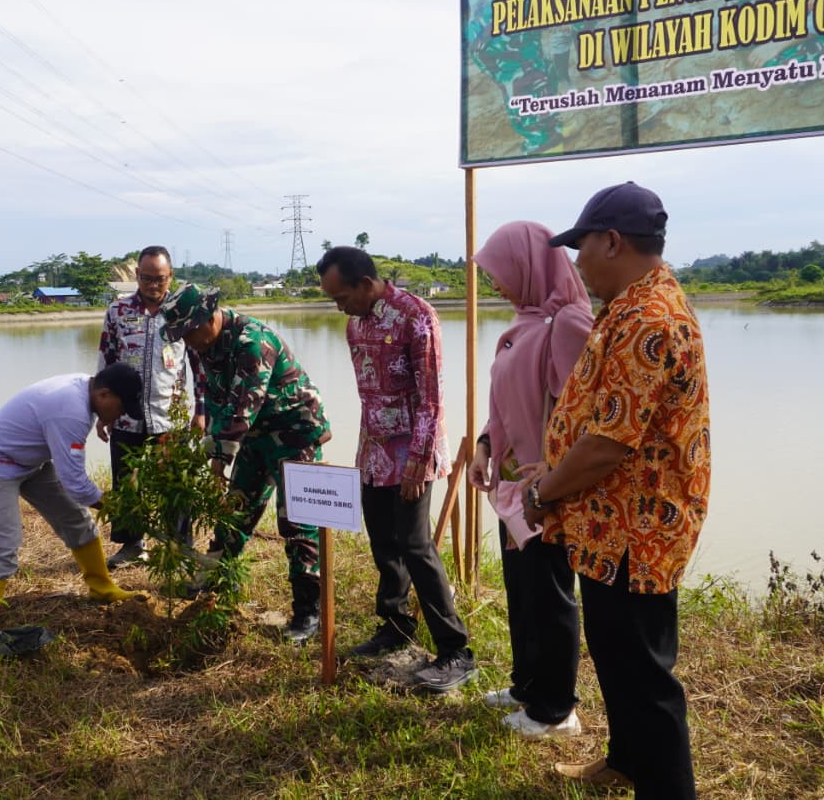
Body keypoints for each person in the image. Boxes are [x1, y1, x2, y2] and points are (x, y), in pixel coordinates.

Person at [521, 183, 710, 797]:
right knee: (618, 658)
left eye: (581, 246)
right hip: (612, 524)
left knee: (645, 676)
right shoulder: (631, 307)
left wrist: (544, 491)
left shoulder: (648, 320)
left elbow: (607, 443)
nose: (575, 261)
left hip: (637, 526)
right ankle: (627, 760)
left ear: (612, 240)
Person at [315, 247, 477, 693]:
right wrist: (365, 452)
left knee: (416, 546)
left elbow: (431, 399)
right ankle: (395, 623)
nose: (339, 306)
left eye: (341, 296)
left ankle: (455, 650)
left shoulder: (416, 317)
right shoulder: (355, 323)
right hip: (374, 452)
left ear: (365, 284)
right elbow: (369, 398)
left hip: (412, 453)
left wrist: (417, 464)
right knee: (383, 540)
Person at [468, 222, 594, 736]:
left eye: (499, 272)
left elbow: (585, 408)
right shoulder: (524, 323)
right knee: (523, 591)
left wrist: (556, 470)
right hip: (514, 486)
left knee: (550, 594)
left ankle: (555, 709)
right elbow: (504, 402)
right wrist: (483, 447)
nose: (495, 284)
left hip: (548, 491)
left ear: (528, 266)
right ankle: (527, 686)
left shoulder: (568, 323)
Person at [159, 284, 331, 643]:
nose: (189, 341)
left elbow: (244, 407)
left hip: (295, 432)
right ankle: (215, 585)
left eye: (190, 331)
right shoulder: (201, 343)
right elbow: (215, 397)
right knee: (235, 511)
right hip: (253, 435)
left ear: (210, 317)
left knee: (297, 522)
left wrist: (219, 457)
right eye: (182, 335)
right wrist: (212, 446)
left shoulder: (252, 342)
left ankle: (308, 613)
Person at [0, 363, 143, 660]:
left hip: (30, 461)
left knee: (78, 522)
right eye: (121, 407)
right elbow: (78, 486)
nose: (121, 415)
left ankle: (101, 587)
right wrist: (117, 508)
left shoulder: (85, 390)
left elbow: (73, 484)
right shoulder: (69, 411)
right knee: (3, 550)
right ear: (104, 393)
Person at [97, 245, 205, 567]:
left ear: (170, 276)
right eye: (146, 278)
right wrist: (102, 412)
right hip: (125, 416)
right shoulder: (117, 312)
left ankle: (178, 548)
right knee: (127, 482)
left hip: (170, 418)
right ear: (136, 276)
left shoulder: (183, 313)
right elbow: (106, 359)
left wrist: (201, 410)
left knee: (175, 482)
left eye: (159, 279)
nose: (153, 285)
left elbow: (199, 364)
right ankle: (132, 545)